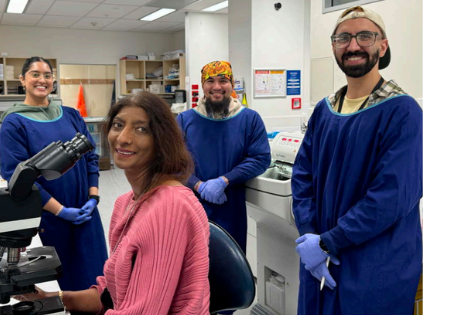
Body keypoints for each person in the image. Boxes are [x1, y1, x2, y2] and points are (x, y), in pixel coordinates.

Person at [14, 91, 210, 314]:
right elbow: (111, 294)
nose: (123, 138)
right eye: (118, 125)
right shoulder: (125, 203)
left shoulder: (170, 207)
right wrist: (50, 297)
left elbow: (145, 311)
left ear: (162, 140)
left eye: (141, 129)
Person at [291, 6, 422, 315]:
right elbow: (302, 177)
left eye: (365, 36)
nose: (353, 46)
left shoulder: (402, 112)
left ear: (382, 45)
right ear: (335, 47)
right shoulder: (325, 110)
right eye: (343, 38)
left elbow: (391, 196)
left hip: (374, 266)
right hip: (320, 256)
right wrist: (311, 236)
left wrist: (329, 242)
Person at [0, 57, 107, 291]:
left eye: (47, 75)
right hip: (52, 219)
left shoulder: (71, 114)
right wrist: (61, 211)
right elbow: (16, 178)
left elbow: (90, 156)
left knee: (97, 279)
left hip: (86, 214)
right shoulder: (14, 123)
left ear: (53, 80)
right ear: (22, 80)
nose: (42, 80)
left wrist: (93, 197)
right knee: (63, 286)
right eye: (35, 74)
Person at [176, 60, 270, 259]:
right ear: (203, 85)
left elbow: (260, 157)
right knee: (193, 267)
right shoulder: (184, 121)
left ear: (232, 84)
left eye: (223, 80)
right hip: (191, 207)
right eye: (210, 81)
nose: (217, 87)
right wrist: (198, 185)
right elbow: (172, 162)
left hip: (231, 208)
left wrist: (224, 180)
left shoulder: (249, 119)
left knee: (230, 269)